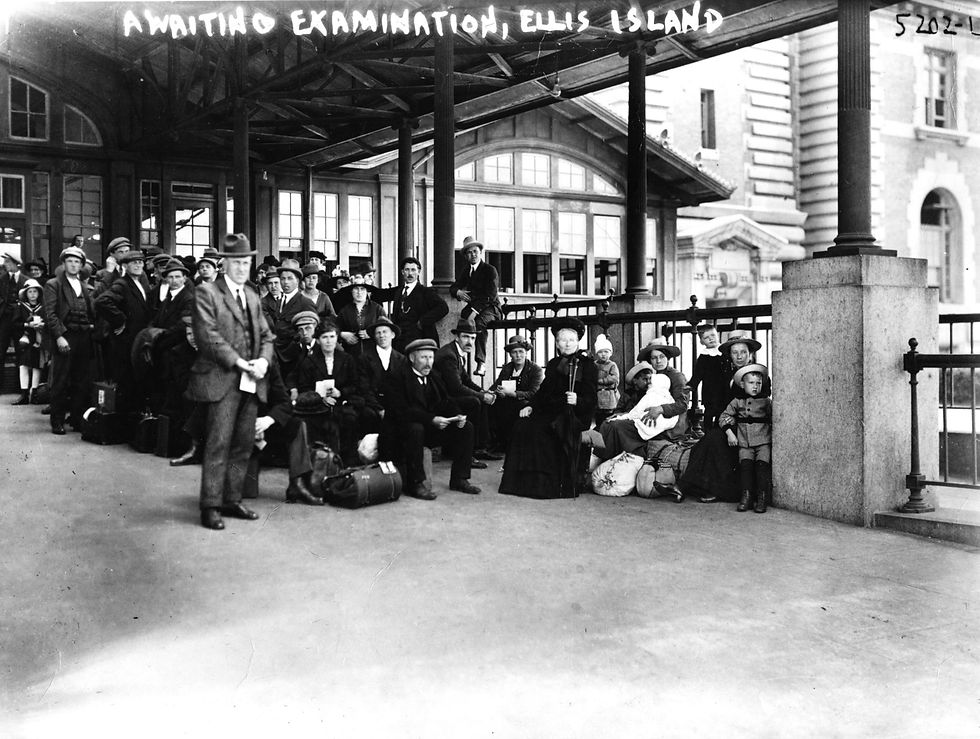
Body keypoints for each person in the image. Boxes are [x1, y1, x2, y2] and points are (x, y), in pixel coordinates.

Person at [186, 233, 275, 531]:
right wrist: (239, 362)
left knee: (243, 443)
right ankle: (210, 505)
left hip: (251, 379)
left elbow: (266, 336)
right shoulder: (207, 292)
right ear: (224, 264)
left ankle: (231, 498)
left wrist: (262, 360)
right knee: (218, 443)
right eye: (236, 262)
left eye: (246, 262)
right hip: (222, 379)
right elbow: (207, 337)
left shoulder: (252, 295)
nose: (241, 267)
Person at [498, 317, 597, 499]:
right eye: (562, 340)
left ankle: (546, 485)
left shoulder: (587, 365)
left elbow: (592, 399)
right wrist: (531, 406)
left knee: (542, 431)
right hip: (550, 410)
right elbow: (543, 392)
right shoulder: (553, 364)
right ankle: (523, 483)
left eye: (571, 340)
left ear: (577, 342)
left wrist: (578, 400)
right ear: (557, 343)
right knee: (522, 425)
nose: (566, 344)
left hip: (572, 413)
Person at [380, 338, 480, 499]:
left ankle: (459, 479)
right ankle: (416, 484)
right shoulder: (396, 377)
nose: (428, 363)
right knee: (416, 428)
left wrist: (457, 415)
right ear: (412, 358)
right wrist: (432, 419)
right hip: (400, 433)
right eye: (424, 358)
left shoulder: (433, 376)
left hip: (426, 429)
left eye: (431, 357)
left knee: (466, 428)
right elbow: (402, 411)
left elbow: (445, 401)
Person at [682, 330, 764, 504]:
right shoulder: (728, 375)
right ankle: (691, 486)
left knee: (716, 441)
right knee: (705, 443)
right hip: (730, 423)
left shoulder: (757, 376)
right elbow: (724, 404)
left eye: (743, 352)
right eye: (735, 353)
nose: (739, 357)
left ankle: (713, 489)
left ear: (750, 354)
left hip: (751, 427)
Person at [598, 337, 690, 461]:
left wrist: (660, 409)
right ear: (650, 361)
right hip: (652, 420)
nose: (658, 361)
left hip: (670, 426)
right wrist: (623, 415)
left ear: (668, 358)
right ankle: (607, 462)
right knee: (609, 424)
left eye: (662, 357)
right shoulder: (655, 377)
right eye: (654, 358)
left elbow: (682, 404)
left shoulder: (676, 376)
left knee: (618, 427)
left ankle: (622, 460)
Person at [288, 319, 364, 464]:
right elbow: (305, 388)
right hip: (317, 406)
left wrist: (340, 392)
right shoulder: (309, 362)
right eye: (324, 337)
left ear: (337, 338)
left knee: (350, 419)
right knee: (318, 424)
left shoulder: (347, 359)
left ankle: (347, 465)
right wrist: (321, 399)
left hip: (341, 403)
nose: (328, 341)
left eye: (332, 337)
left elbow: (355, 384)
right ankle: (322, 465)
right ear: (318, 340)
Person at [43, 246, 97, 435]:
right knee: (61, 380)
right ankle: (56, 421)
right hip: (66, 337)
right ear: (64, 264)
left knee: (81, 381)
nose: (74, 265)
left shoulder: (83, 285)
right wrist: (59, 336)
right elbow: (50, 314)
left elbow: (89, 311)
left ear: (81, 265)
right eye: (70, 261)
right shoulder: (53, 284)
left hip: (83, 338)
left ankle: (75, 418)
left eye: (77, 262)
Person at [433, 317, 502, 464]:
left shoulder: (457, 353)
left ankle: (480, 448)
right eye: (465, 337)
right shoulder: (448, 355)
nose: (470, 341)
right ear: (457, 337)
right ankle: (465, 453)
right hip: (439, 399)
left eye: (472, 337)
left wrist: (483, 391)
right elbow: (456, 387)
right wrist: (482, 396)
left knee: (480, 399)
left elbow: (466, 380)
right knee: (474, 402)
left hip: (449, 395)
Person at [95, 249, 154, 414]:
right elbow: (102, 301)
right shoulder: (122, 283)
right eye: (133, 263)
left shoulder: (141, 282)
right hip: (126, 341)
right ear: (125, 266)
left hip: (138, 339)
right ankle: (124, 424)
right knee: (126, 381)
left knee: (135, 381)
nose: (138, 265)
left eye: (140, 262)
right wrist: (120, 320)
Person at [719, 363, 772, 513]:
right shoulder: (737, 401)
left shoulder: (766, 401)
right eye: (751, 383)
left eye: (758, 383)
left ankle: (762, 499)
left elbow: (775, 418)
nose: (755, 386)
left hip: (763, 441)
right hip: (744, 442)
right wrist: (730, 432)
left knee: (762, 468)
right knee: (746, 469)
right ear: (742, 384)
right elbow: (724, 417)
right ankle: (746, 497)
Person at [373, 257, 448, 354]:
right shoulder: (399, 291)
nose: (410, 273)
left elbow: (443, 308)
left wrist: (422, 322)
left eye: (413, 270)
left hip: (420, 339)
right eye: (407, 270)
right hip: (400, 341)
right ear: (402, 272)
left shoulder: (425, 292)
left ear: (418, 272)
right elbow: (380, 294)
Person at [449, 236, 501, 377]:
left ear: (480, 252)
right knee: (463, 324)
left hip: (491, 307)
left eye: (475, 251)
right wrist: (458, 291)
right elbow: (454, 286)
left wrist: (474, 310)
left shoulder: (490, 270)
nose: (473, 255)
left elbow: (490, 295)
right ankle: (462, 356)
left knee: (478, 324)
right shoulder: (467, 271)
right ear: (466, 256)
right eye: (469, 252)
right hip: (475, 306)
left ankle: (481, 362)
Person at [488, 334, 542, 454]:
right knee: (492, 406)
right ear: (510, 354)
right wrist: (494, 392)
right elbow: (497, 384)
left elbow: (534, 393)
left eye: (521, 351)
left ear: (526, 352)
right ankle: (497, 443)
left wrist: (512, 393)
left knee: (519, 407)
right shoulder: (507, 368)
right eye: (514, 352)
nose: (518, 355)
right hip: (507, 402)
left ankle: (519, 445)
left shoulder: (535, 369)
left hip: (526, 403)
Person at [357, 316, 407, 432]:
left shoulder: (401, 359)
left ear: (392, 335)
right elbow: (364, 388)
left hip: (394, 405)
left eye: (385, 332)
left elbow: (403, 388)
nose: (381, 335)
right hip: (372, 405)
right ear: (374, 336)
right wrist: (379, 409)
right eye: (378, 333)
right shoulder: (365, 358)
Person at [269, 260, 318, 366]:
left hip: (295, 359)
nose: (285, 282)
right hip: (278, 357)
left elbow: (313, 332)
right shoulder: (279, 301)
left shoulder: (305, 302)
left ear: (298, 280)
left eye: (290, 278)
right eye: (283, 278)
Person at [12, 278, 47, 405]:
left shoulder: (43, 307)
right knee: (24, 365)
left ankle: (35, 392)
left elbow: (48, 321)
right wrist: (28, 324)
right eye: (30, 292)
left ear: (39, 293)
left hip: (39, 339)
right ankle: (24, 394)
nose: (32, 294)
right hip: (25, 339)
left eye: (35, 292)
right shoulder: (20, 307)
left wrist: (42, 325)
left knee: (37, 365)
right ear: (25, 294)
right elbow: (15, 324)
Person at [688, 323, 726, 431]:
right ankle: (708, 436)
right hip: (709, 390)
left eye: (713, 335)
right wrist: (692, 384)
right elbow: (698, 373)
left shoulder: (724, 352)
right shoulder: (704, 356)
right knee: (708, 414)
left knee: (721, 413)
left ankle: (719, 435)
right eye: (706, 338)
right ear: (701, 341)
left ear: (717, 335)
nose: (711, 339)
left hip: (723, 390)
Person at [336, 280, 386, 359]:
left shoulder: (377, 309)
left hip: (374, 354)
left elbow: (386, 328)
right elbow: (334, 329)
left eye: (362, 289)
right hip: (351, 354)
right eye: (356, 289)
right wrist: (342, 335)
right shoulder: (344, 311)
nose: (359, 292)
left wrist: (372, 333)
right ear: (351, 291)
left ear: (367, 292)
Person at [0, 253, 29, 389]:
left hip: (19, 321)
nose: (5, 265)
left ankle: (20, 387)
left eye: (7, 262)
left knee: (21, 351)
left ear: (16, 264)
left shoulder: (26, 281)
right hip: (4, 320)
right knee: (0, 351)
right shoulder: (1, 279)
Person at [593, 333, 620, 426]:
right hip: (598, 394)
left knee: (608, 417)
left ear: (610, 353)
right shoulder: (594, 365)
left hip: (609, 395)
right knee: (599, 417)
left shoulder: (612, 365)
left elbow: (615, 378)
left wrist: (602, 381)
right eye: (600, 352)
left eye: (606, 352)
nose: (603, 354)